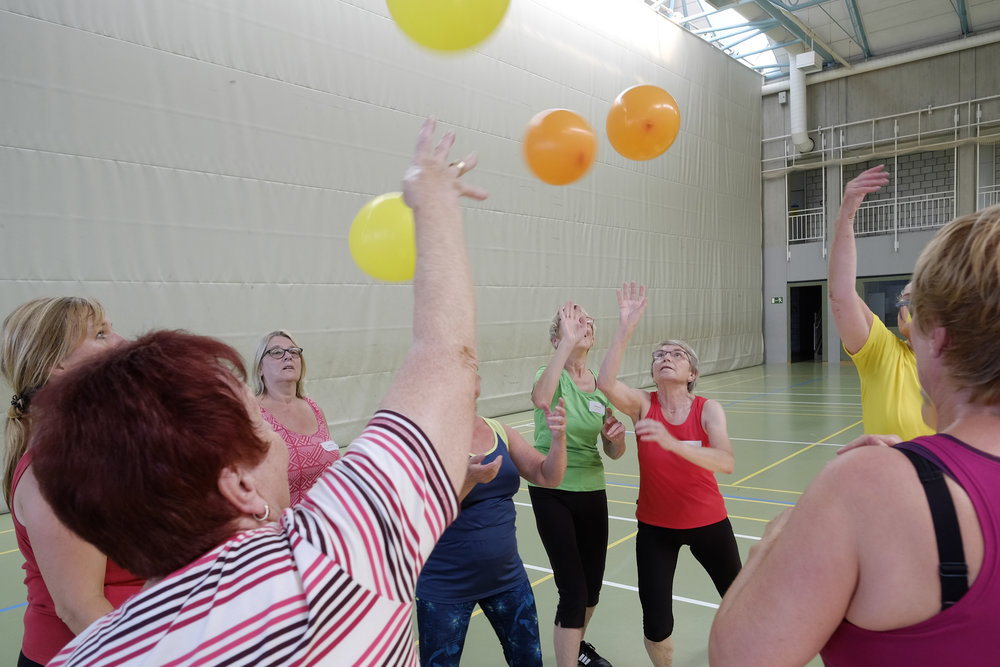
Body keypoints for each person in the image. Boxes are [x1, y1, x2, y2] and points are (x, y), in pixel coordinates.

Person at [30, 118, 489, 666]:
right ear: (240, 489)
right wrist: (432, 197)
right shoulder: (329, 563)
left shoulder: (86, 656)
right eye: (260, 426)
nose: (272, 427)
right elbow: (446, 355)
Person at [709, 203, 1000, 665]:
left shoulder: (863, 486)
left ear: (940, 339)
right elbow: (842, 294)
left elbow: (738, 655)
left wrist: (782, 534)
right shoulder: (886, 356)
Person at [597, 282, 741, 667]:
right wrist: (625, 327)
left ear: (692, 373)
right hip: (656, 529)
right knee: (656, 623)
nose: (666, 357)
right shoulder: (644, 405)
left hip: (709, 523)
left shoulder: (708, 409)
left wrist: (672, 442)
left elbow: (725, 461)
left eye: (676, 354)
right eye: (659, 354)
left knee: (742, 603)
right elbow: (606, 384)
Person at [1, 297, 146, 667]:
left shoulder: (94, 445)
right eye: (100, 334)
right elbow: (81, 609)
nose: (121, 341)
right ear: (56, 365)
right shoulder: (55, 469)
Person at [415, 375, 568, 667]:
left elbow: (548, 476)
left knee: (528, 661)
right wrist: (468, 481)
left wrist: (559, 441)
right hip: (446, 586)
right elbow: (423, 512)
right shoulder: (425, 439)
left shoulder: (499, 430)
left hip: (508, 578)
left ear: (477, 383)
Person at [529, 301, 627, 667]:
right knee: (572, 591)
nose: (584, 325)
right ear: (558, 337)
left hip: (592, 490)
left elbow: (614, 450)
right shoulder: (549, 375)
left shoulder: (601, 389)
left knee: (591, 591)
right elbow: (541, 398)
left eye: (588, 322)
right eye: (573, 323)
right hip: (552, 489)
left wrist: (616, 439)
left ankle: (577, 647)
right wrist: (565, 347)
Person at [828, 164, 933, 441]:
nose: (907, 307)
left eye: (917, 299)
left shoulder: (967, 365)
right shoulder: (883, 354)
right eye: (905, 301)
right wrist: (846, 216)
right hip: (891, 481)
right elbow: (841, 294)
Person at [253, 330, 339, 505]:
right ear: (260, 368)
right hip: (283, 526)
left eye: (294, 352)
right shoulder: (252, 414)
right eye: (276, 352)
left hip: (326, 520)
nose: (288, 357)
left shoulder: (315, 409)